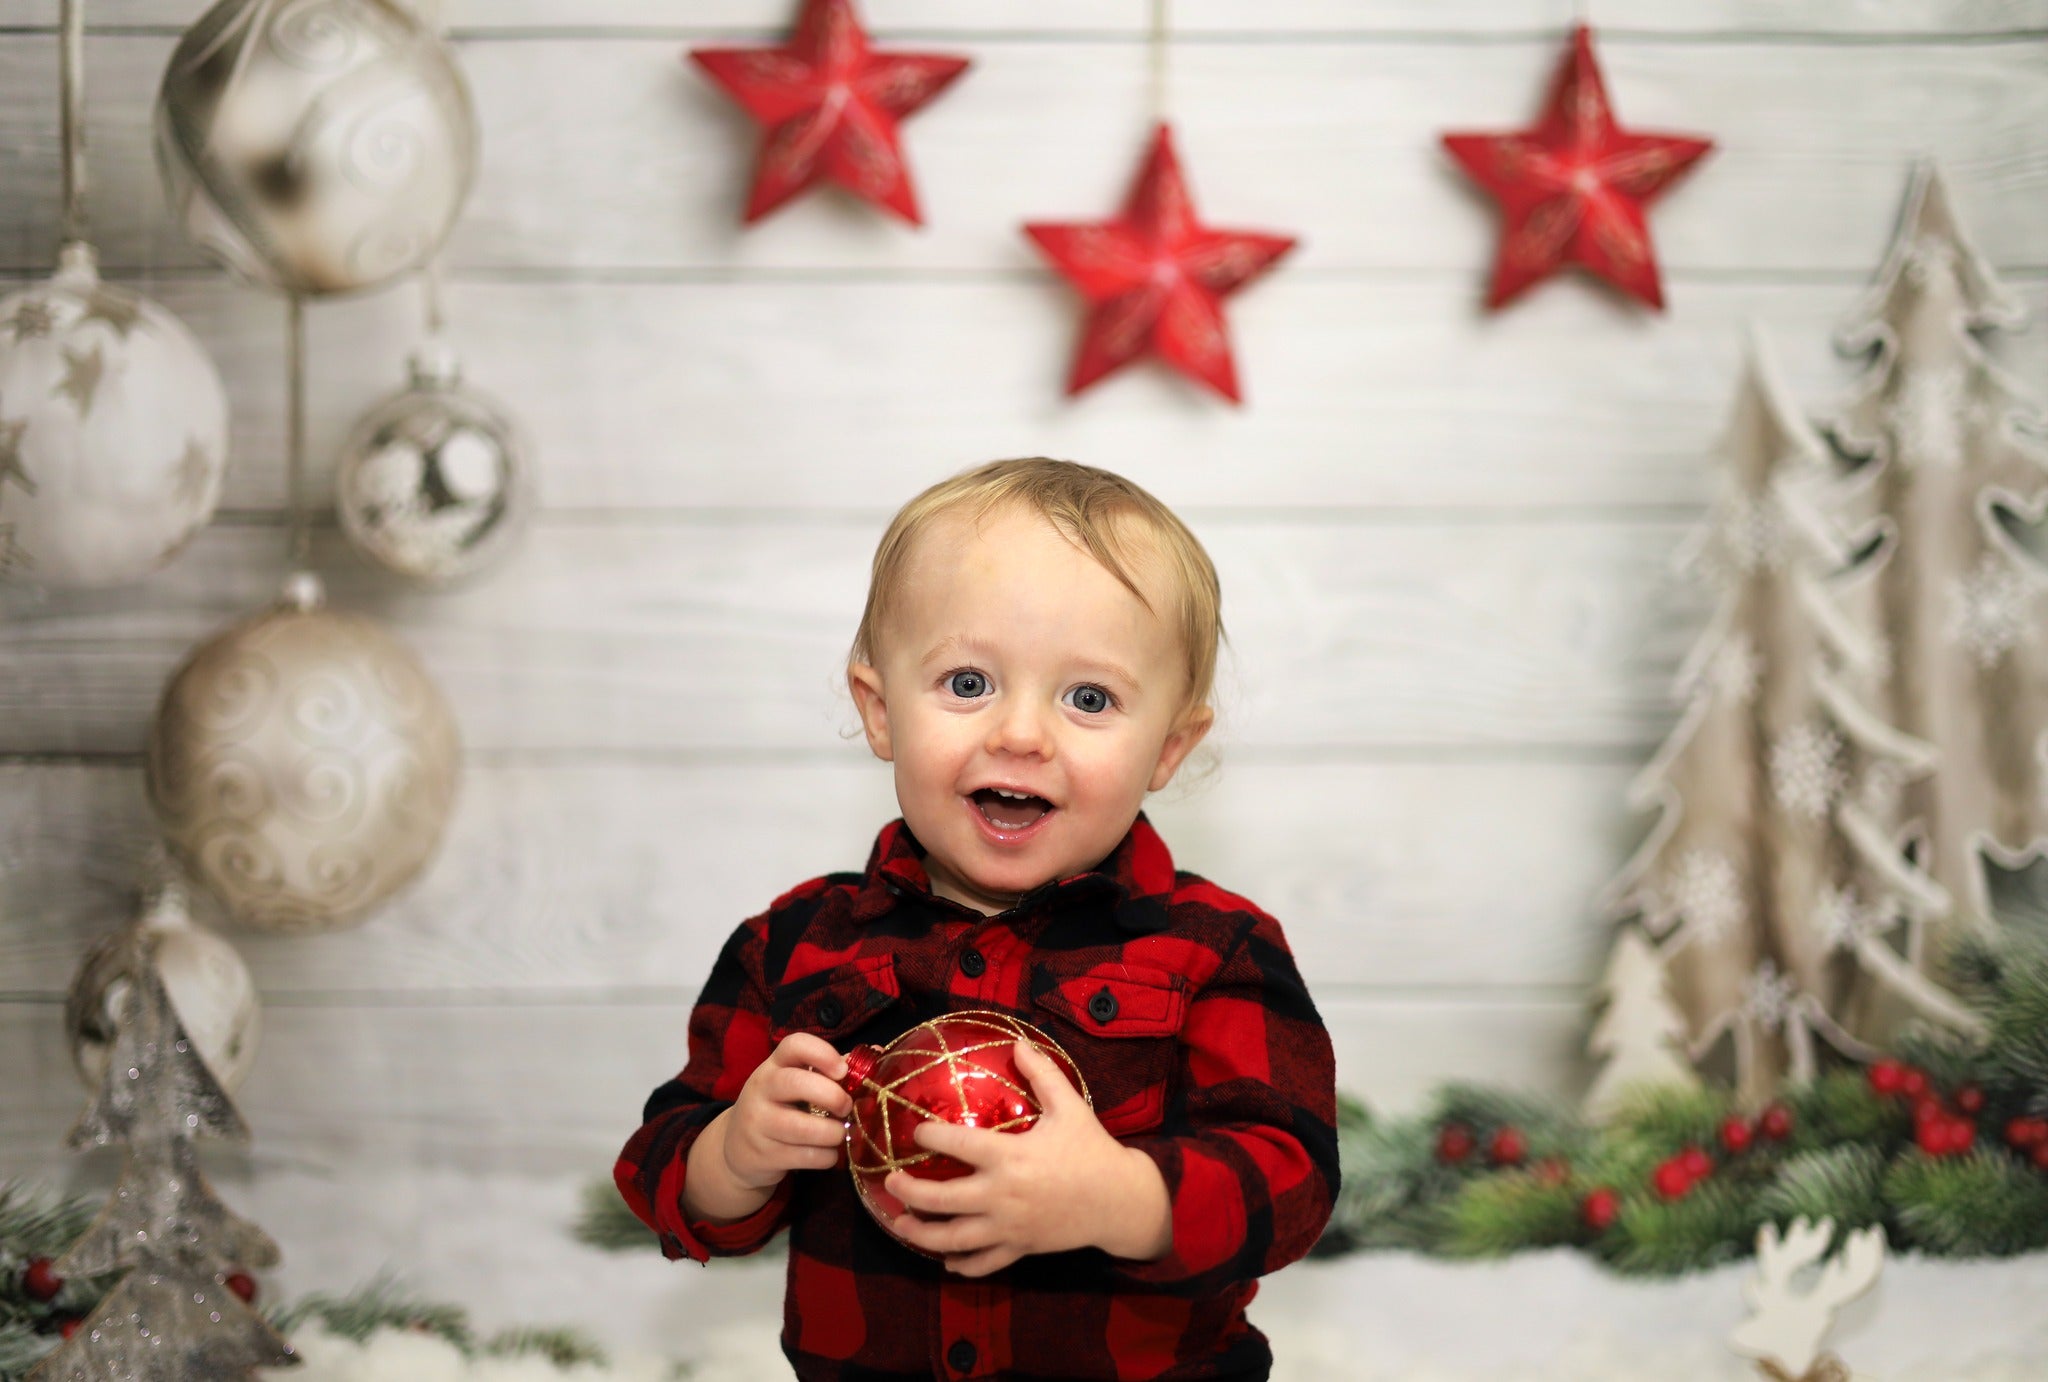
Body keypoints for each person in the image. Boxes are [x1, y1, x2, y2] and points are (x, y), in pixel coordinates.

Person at [615, 458, 1339, 1381]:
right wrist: (734, 1155)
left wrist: (1119, 1199)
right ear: (879, 712)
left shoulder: (1213, 948)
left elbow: (1294, 1179)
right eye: (967, 684)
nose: (1022, 735)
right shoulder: (793, 946)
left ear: (1169, 747)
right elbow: (661, 1173)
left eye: (1088, 698)